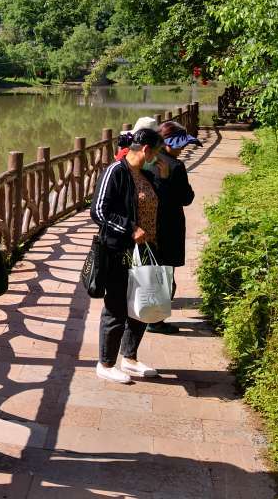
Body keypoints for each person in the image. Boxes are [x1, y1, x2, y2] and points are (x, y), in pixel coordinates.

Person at [89, 127, 168, 383]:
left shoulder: (146, 173)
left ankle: (129, 358)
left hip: (147, 249)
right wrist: (130, 227)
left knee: (141, 304)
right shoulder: (116, 171)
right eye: (156, 152)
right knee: (117, 305)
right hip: (119, 250)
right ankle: (106, 362)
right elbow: (99, 211)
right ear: (146, 149)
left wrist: (165, 178)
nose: (157, 157)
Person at [148, 121, 201, 334]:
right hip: (169, 225)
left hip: (147, 224)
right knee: (165, 274)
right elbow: (186, 198)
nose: (182, 149)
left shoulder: (146, 161)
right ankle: (155, 321)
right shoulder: (176, 167)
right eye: (179, 145)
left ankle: (143, 315)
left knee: (149, 270)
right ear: (168, 144)